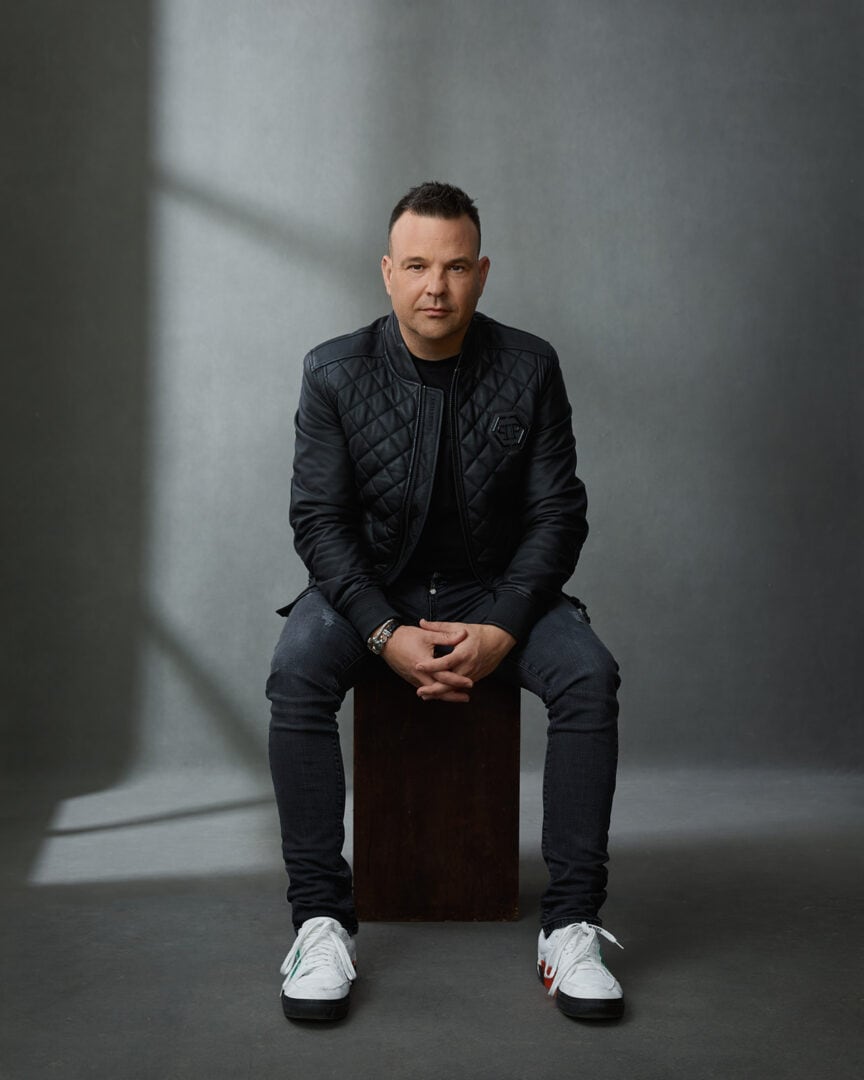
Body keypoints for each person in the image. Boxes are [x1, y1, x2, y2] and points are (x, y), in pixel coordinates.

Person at [267, 181, 623, 1023]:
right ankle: (320, 923)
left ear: (482, 273)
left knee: (589, 677)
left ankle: (570, 927)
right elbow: (319, 522)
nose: (437, 287)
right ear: (388, 272)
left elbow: (557, 514)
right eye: (419, 266)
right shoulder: (333, 370)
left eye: (456, 267)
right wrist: (380, 629)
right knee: (296, 673)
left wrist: (503, 625)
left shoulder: (530, 366)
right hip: (368, 589)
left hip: (496, 589)